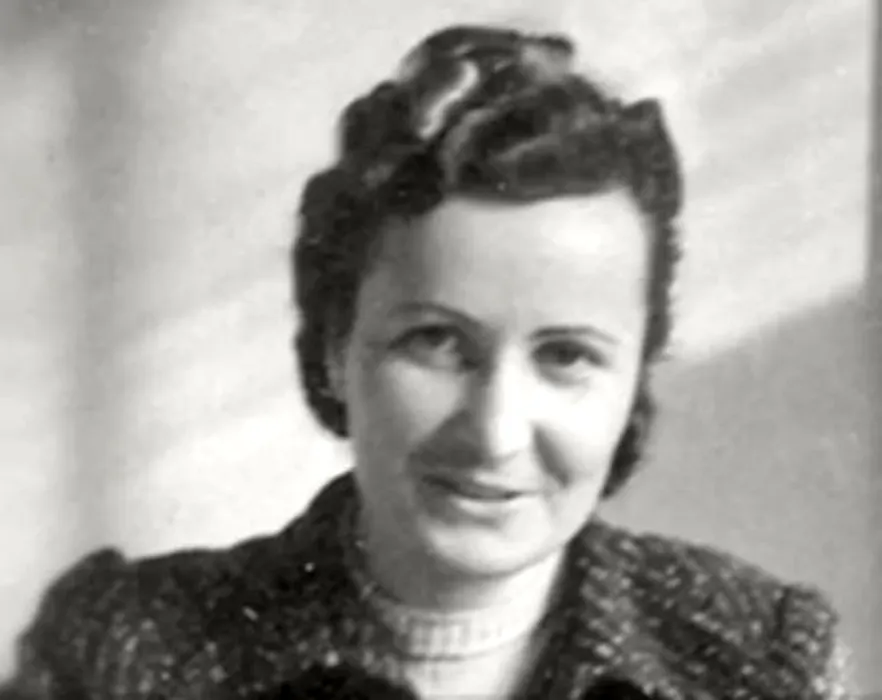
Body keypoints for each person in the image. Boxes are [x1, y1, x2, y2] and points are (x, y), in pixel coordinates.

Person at [0, 24, 854, 700]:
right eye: (437, 342)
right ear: (334, 349)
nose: (495, 432)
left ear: (634, 380)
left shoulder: (758, 663)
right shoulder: (124, 654)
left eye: (567, 356)